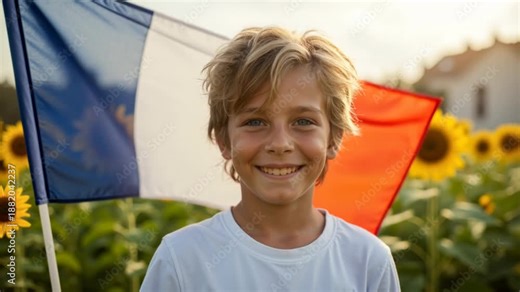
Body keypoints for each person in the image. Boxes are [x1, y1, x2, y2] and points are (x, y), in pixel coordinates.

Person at [141, 26, 400, 291]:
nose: (280, 144)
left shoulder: (368, 261)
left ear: (333, 138)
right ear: (224, 140)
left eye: (303, 121)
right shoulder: (181, 259)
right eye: (255, 121)